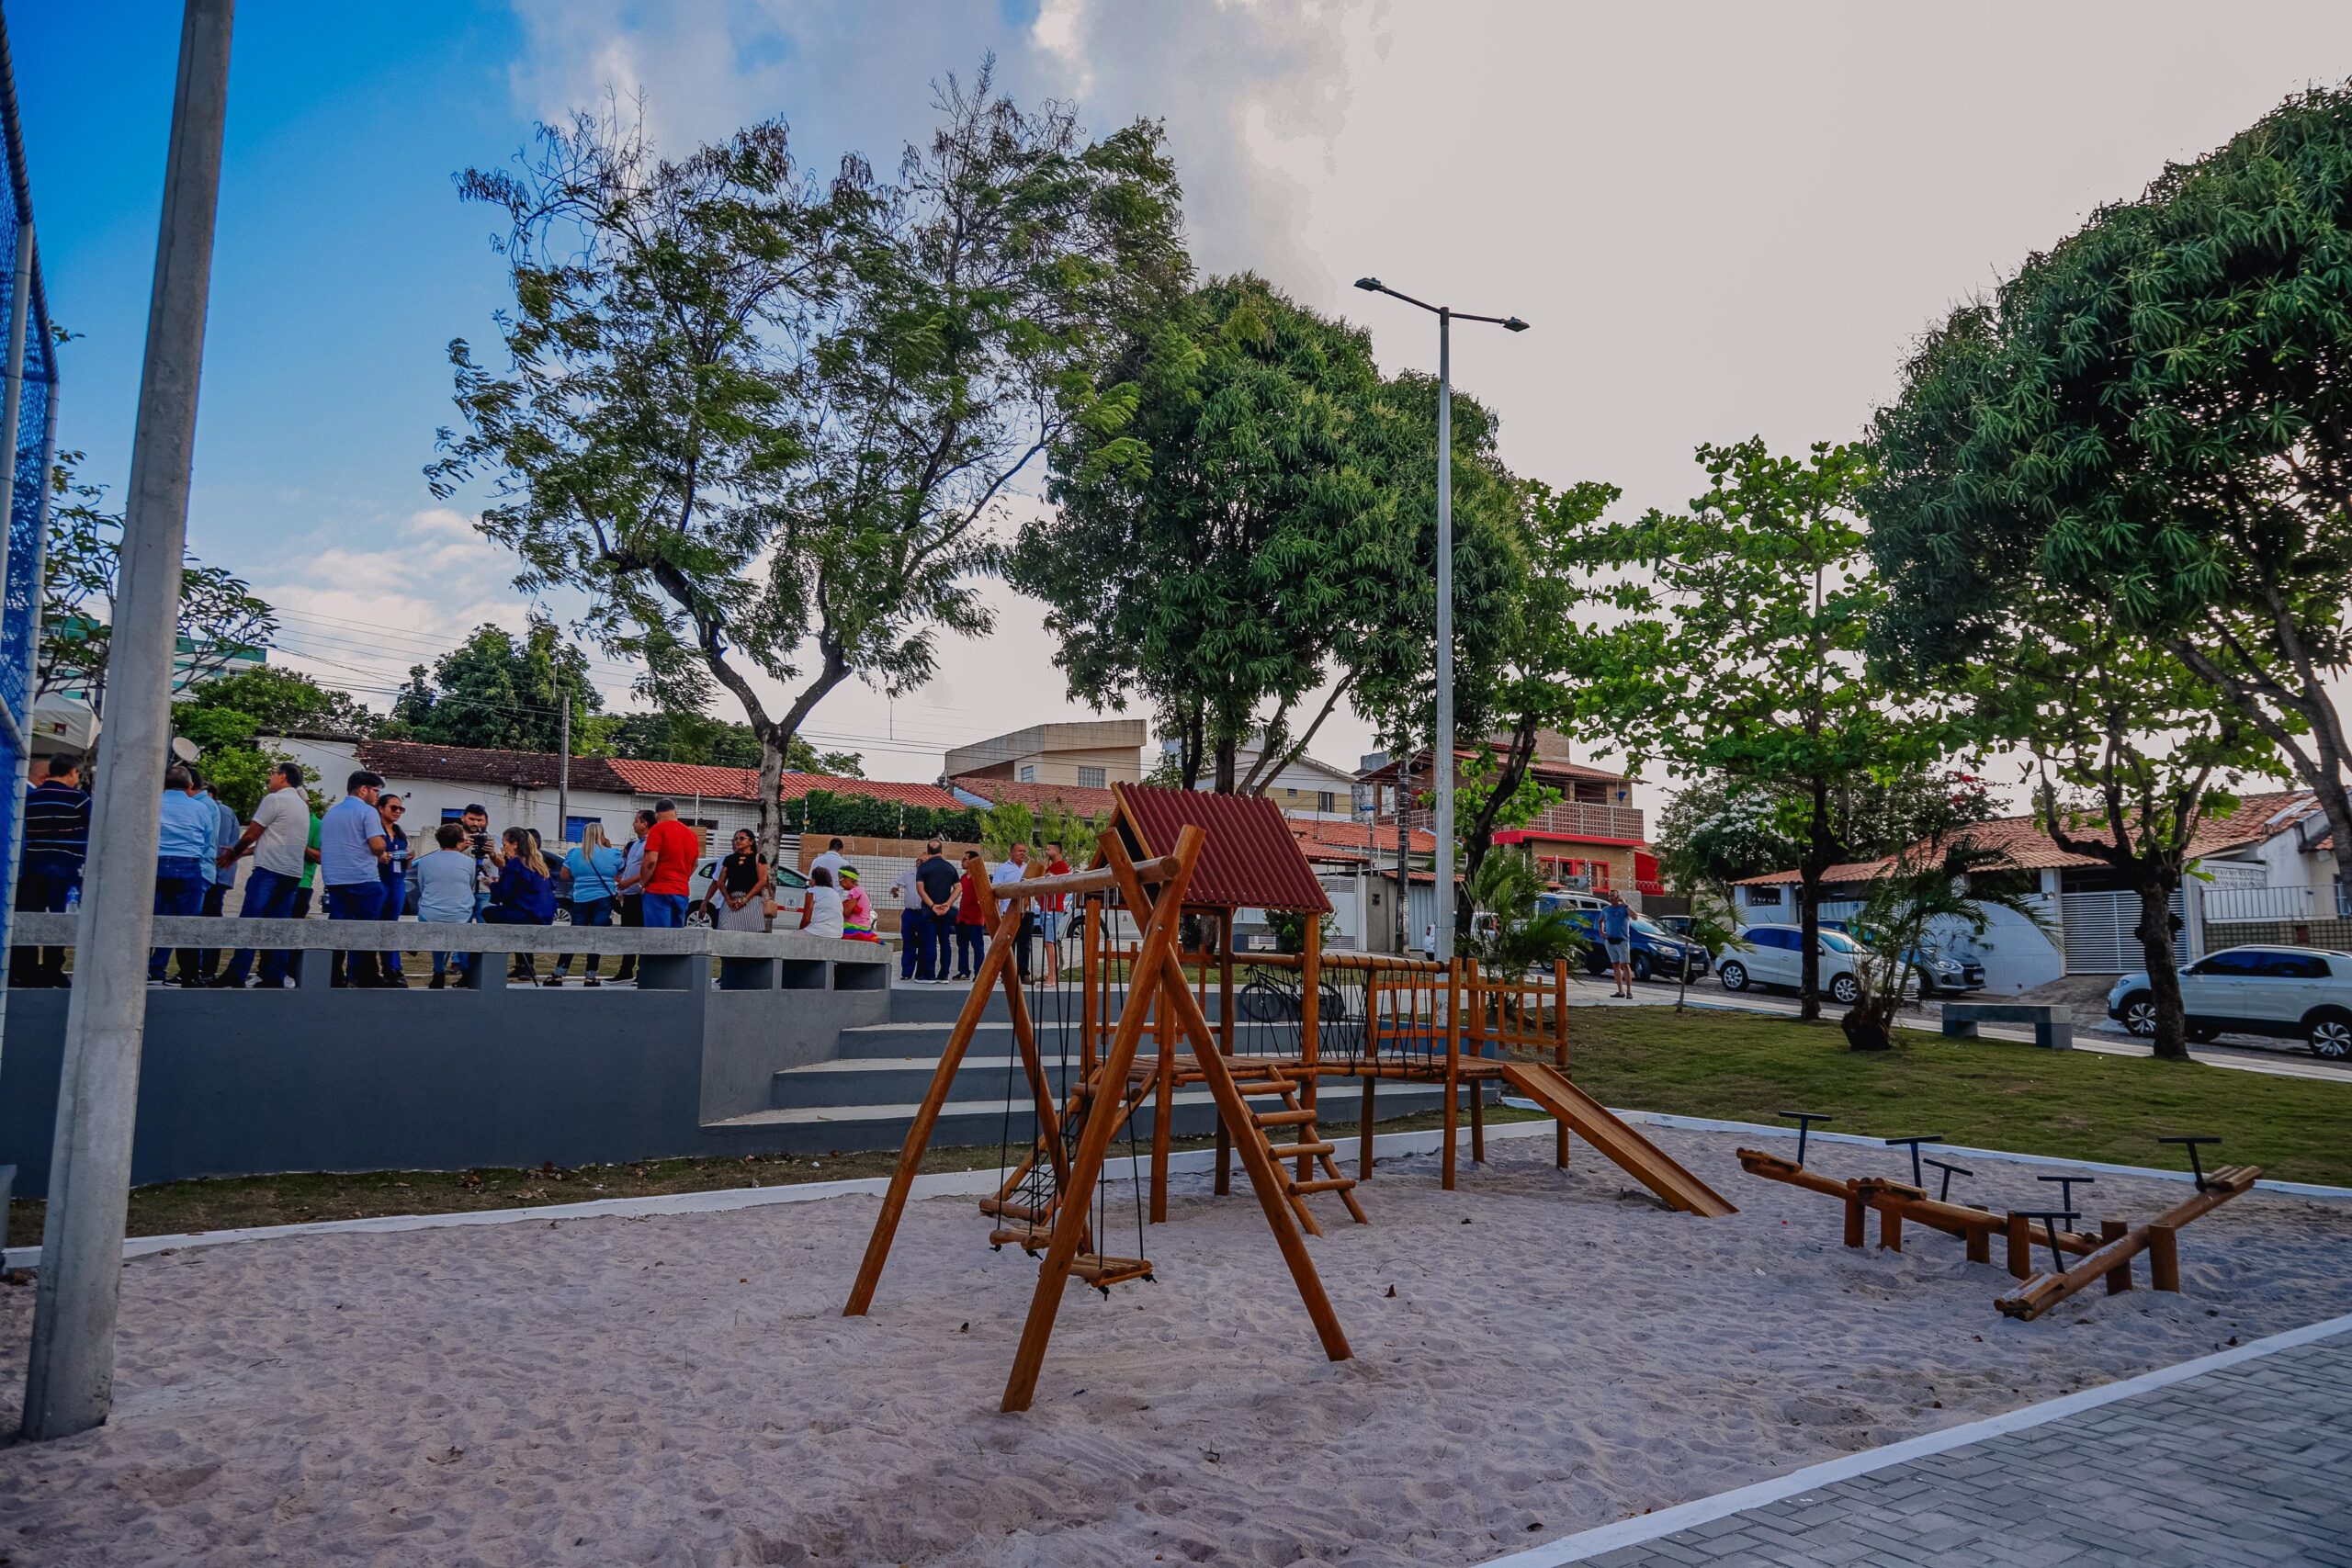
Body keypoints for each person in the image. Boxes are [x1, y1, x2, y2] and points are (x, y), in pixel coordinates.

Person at [215, 761, 312, 989]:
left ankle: (237, 973)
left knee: (250, 921)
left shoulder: (274, 800)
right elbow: (277, 839)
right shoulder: (302, 806)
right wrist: (243, 853)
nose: (270, 777)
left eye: (273, 773)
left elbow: (252, 834)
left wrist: (233, 853)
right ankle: (275, 975)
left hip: (269, 870)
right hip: (292, 872)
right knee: (279, 926)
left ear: (283, 776)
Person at [13, 755, 89, 987]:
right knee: (60, 920)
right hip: (67, 867)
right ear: (73, 772)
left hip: (33, 864)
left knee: (30, 916)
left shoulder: (31, 797)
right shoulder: (78, 799)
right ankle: (52, 969)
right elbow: (94, 826)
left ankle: (26, 970)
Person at [318, 770, 393, 987]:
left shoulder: (331, 813)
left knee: (338, 927)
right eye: (376, 791)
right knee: (366, 930)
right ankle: (364, 975)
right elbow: (376, 845)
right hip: (362, 877)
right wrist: (383, 848)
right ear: (364, 790)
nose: (377, 796)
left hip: (335, 878)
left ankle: (333, 975)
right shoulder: (367, 811)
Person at [150, 766, 218, 985]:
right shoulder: (201, 808)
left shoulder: (152, 803)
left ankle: (143, 969)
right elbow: (208, 841)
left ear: (163, 785)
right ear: (190, 785)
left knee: (149, 919)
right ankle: (189, 974)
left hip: (155, 865)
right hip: (189, 866)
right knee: (188, 924)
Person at [552, 821, 626, 984]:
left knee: (574, 936)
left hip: (580, 898)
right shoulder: (613, 853)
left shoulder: (574, 853)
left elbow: (564, 875)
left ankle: (559, 973)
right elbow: (620, 871)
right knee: (596, 937)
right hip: (603, 899)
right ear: (602, 835)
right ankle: (591, 975)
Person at [481, 826, 558, 974]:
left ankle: (502, 949)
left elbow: (503, 893)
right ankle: (520, 960)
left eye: (505, 844)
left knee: (488, 912)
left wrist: (491, 884)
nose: (503, 848)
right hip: (543, 915)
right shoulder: (537, 863)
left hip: (529, 915)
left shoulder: (516, 864)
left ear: (514, 844)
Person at [189, 777, 242, 982]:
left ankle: (207, 970)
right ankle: (202, 969)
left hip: (217, 876)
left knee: (210, 922)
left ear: (210, 795)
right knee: (207, 920)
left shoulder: (221, 812)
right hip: (215, 874)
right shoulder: (220, 811)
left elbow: (220, 845)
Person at [414, 821, 478, 987]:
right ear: (460, 841)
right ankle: (465, 970)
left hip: (430, 913)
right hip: (460, 913)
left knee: (437, 936)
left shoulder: (425, 861)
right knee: (462, 937)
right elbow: (470, 884)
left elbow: (422, 886)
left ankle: (438, 970)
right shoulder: (468, 862)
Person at [631, 798, 698, 928]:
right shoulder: (691, 834)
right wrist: (682, 879)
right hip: (681, 891)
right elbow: (695, 864)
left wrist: (642, 884)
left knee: (658, 936)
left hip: (658, 890)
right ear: (675, 812)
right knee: (675, 935)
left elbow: (651, 860)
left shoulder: (657, 829)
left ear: (656, 815)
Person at [374, 792, 412, 986]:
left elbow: (407, 866)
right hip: (379, 879)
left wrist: (408, 858)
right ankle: (370, 967)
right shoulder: (375, 830)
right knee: (374, 924)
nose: (397, 812)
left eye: (400, 809)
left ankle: (393, 967)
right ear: (381, 808)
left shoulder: (399, 834)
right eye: (393, 808)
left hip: (397, 880)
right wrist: (380, 856)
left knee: (391, 925)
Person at [613, 809, 653, 984]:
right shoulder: (636, 844)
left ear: (645, 823)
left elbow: (648, 868)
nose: (634, 824)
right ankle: (625, 970)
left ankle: (643, 971)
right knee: (628, 933)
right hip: (629, 893)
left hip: (640, 893)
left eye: (637, 821)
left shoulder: (650, 844)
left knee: (641, 933)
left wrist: (629, 882)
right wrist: (623, 887)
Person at [913, 839, 960, 983]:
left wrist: (932, 905)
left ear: (928, 851)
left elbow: (920, 889)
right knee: (945, 942)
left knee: (930, 942)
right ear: (941, 851)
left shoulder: (923, 868)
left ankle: (929, 975)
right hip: (945, 911)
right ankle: (944, 975)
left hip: (929, 911)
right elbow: (958, 887)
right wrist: (948, 903)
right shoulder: (950, 868)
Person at [707, 828, 769, 932]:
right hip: (731, 901)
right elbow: (721, 882)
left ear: (751, 841)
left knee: (749, 932)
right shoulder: (729, 859)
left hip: (752, 901)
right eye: (736, 839)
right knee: (724, 928)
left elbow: (763, 881)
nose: (737, 841)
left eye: (742, 838)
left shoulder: (759, 858)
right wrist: (728, 900)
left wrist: (745, 899)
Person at [991, 841, 1037, 981]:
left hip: (1027, 910)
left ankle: (1023, 973)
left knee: (1025, 943)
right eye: (1019, 851)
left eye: (1024, 851)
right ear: (1012, 852)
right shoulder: (1003, 869)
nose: (1022, 853)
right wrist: (997, 912)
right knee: (1009, 943)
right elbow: (995, 890)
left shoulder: (1029, 869)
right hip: (1009, 911)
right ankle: (1007, 973)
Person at [954, 851, 989, 980]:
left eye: (965, 859)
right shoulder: (963, 878)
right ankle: (963, 971)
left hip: (975, 917)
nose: (962, 861)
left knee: (977, 946)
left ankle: (979, 972)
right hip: (962, 917)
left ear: (972, 861)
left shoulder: (980, 878)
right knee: (962, 946)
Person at [889, 860, 924, 980]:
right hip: (910, 913)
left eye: (922, 861)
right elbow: (895, 882)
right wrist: (894, 889)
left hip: (924, 913)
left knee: (924, 944)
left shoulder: (930, 875)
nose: (919, 863)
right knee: (908, 943)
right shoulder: (909, 875)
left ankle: (921, 973)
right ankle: (906, 973)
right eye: (917, 861)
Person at [1601, 890, 1635, 999]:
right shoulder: (1606, 910)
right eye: (1609, 896)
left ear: (1618, 897)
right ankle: (1620, 991)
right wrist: (1602, 932)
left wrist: (1625, 904)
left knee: (1625, 964)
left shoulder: (1624, 908)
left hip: (1622, 940)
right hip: (1610, 940)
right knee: (1615, 964)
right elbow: (1600, 921)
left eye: (1613, 896)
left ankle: (1629, 991)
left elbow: (1635, 917)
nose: (1611, 898)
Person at [1038, 840, 1071, 950]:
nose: (1046, 852)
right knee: (1047, 941)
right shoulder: (1050, 867)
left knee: (1049, 941)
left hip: (1053, 907)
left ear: (1056, 851)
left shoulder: (1061, 866)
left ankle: (1053, 962)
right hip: (1046, 906)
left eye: (1049, 849)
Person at [799, 863, 845, 940]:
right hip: (837, 934)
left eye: (812, 878)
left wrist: (800, 929)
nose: (810, 881)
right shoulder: (834, 893)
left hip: (816, 932)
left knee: (789, 939)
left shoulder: (812, 891)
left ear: (815, 880)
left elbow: (806, 919)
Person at [838, 866, 879, 942]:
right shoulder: (861, 890)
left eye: (840, 879)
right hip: (864, 928)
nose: (839, 882)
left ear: (848, 879)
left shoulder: (855, 891)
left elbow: (846, 912)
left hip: (855, 929)